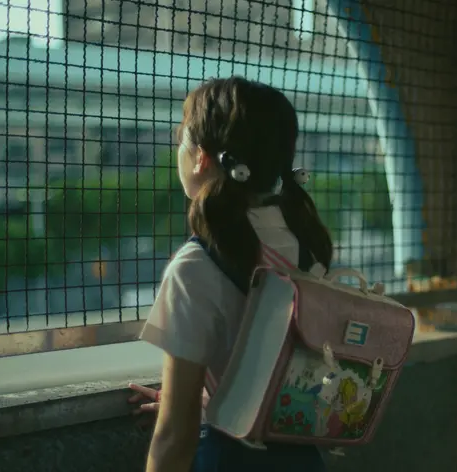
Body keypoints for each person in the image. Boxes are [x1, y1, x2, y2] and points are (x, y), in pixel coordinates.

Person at [131, 76, 333, 472]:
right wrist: (211, 398)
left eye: (181, 138)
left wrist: (184, 404)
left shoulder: (195, 266)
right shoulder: (305, 243)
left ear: (201, 158)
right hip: (302, 458)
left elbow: (174, 437)